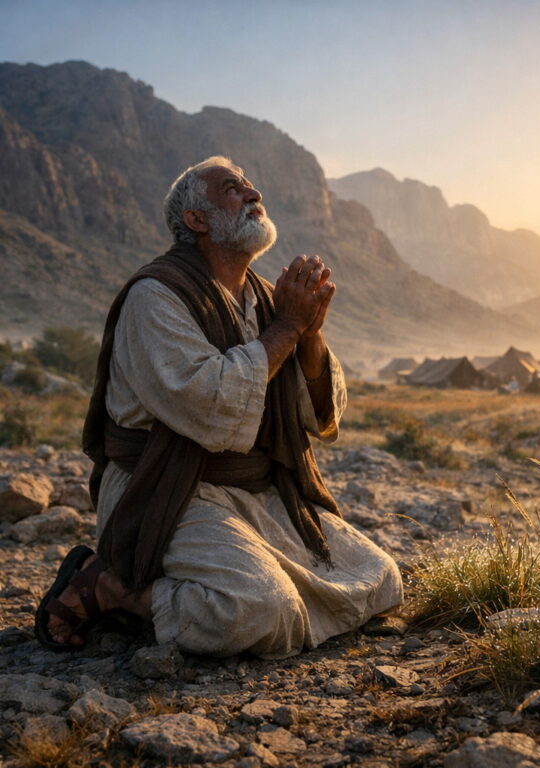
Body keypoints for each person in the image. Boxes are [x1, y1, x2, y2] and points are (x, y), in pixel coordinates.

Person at [35, 156, 403, 658]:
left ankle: (200, 578)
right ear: (197, 220)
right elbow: (209, 407)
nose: (253, 195)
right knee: (260, 610)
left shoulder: (269, 299)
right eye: (234, 189)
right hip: (168, 487)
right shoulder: (156, 297)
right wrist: (288, 330)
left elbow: (315, 415)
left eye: (252, 186)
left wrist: (309, 335)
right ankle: (110, 588)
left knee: (381, 578)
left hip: (251, 488)